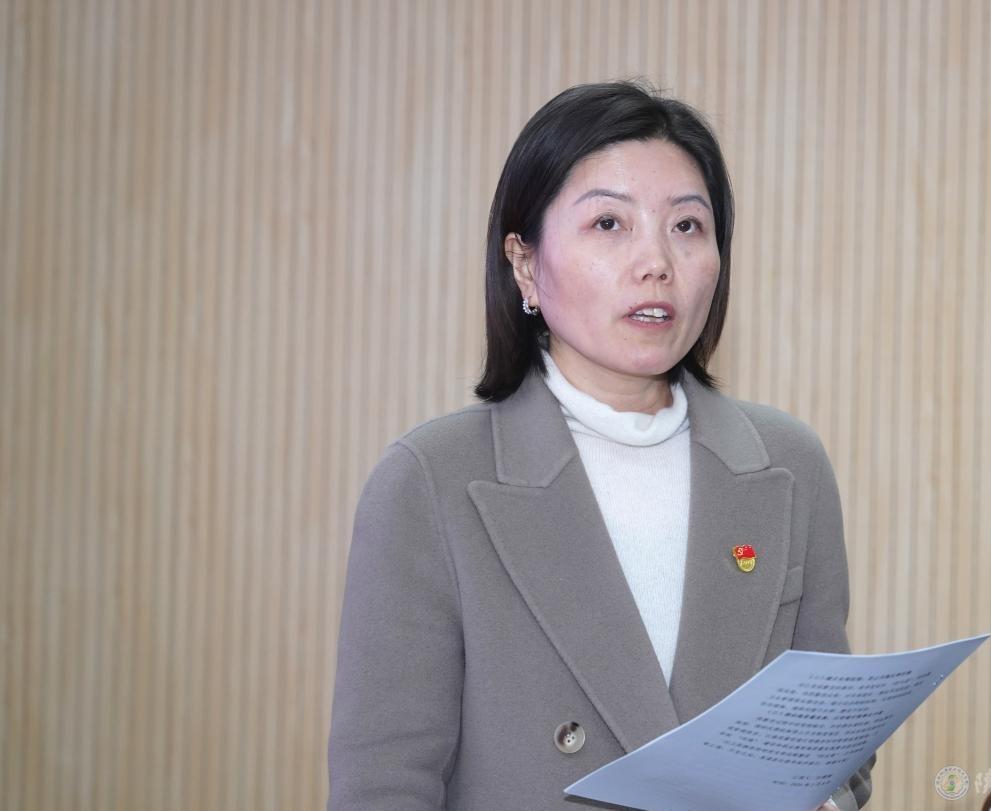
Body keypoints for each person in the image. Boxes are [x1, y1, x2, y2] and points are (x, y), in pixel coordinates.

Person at [327, 80, 875, 811]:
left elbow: (831, 743)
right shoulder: (431, 481)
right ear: (524, 264)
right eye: (609, 223)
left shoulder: (788, 464)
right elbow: (383, 786)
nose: (656, 261)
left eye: (687, 226)